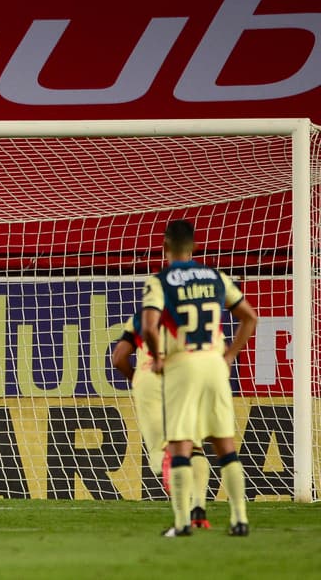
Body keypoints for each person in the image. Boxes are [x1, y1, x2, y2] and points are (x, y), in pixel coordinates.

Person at [141, 219, 258, 537]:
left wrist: (159, 357)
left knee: (181, 445)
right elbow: (250, 316)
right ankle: (239, 519)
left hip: (184, 363)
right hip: (215, 364)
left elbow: (149, 327)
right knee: (225, 446)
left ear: (165, 245)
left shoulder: (160, 281)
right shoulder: (216, 277)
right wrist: (230, 354)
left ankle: (181, 524)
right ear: (194, 247)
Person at [111, 311, 212, 527]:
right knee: (194, 447)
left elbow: (118, 358)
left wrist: (138, 378)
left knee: (162, 452)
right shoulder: (195, 314)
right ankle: (199, 509)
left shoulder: (142, 317)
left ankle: (171, 471)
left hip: (150, 380)